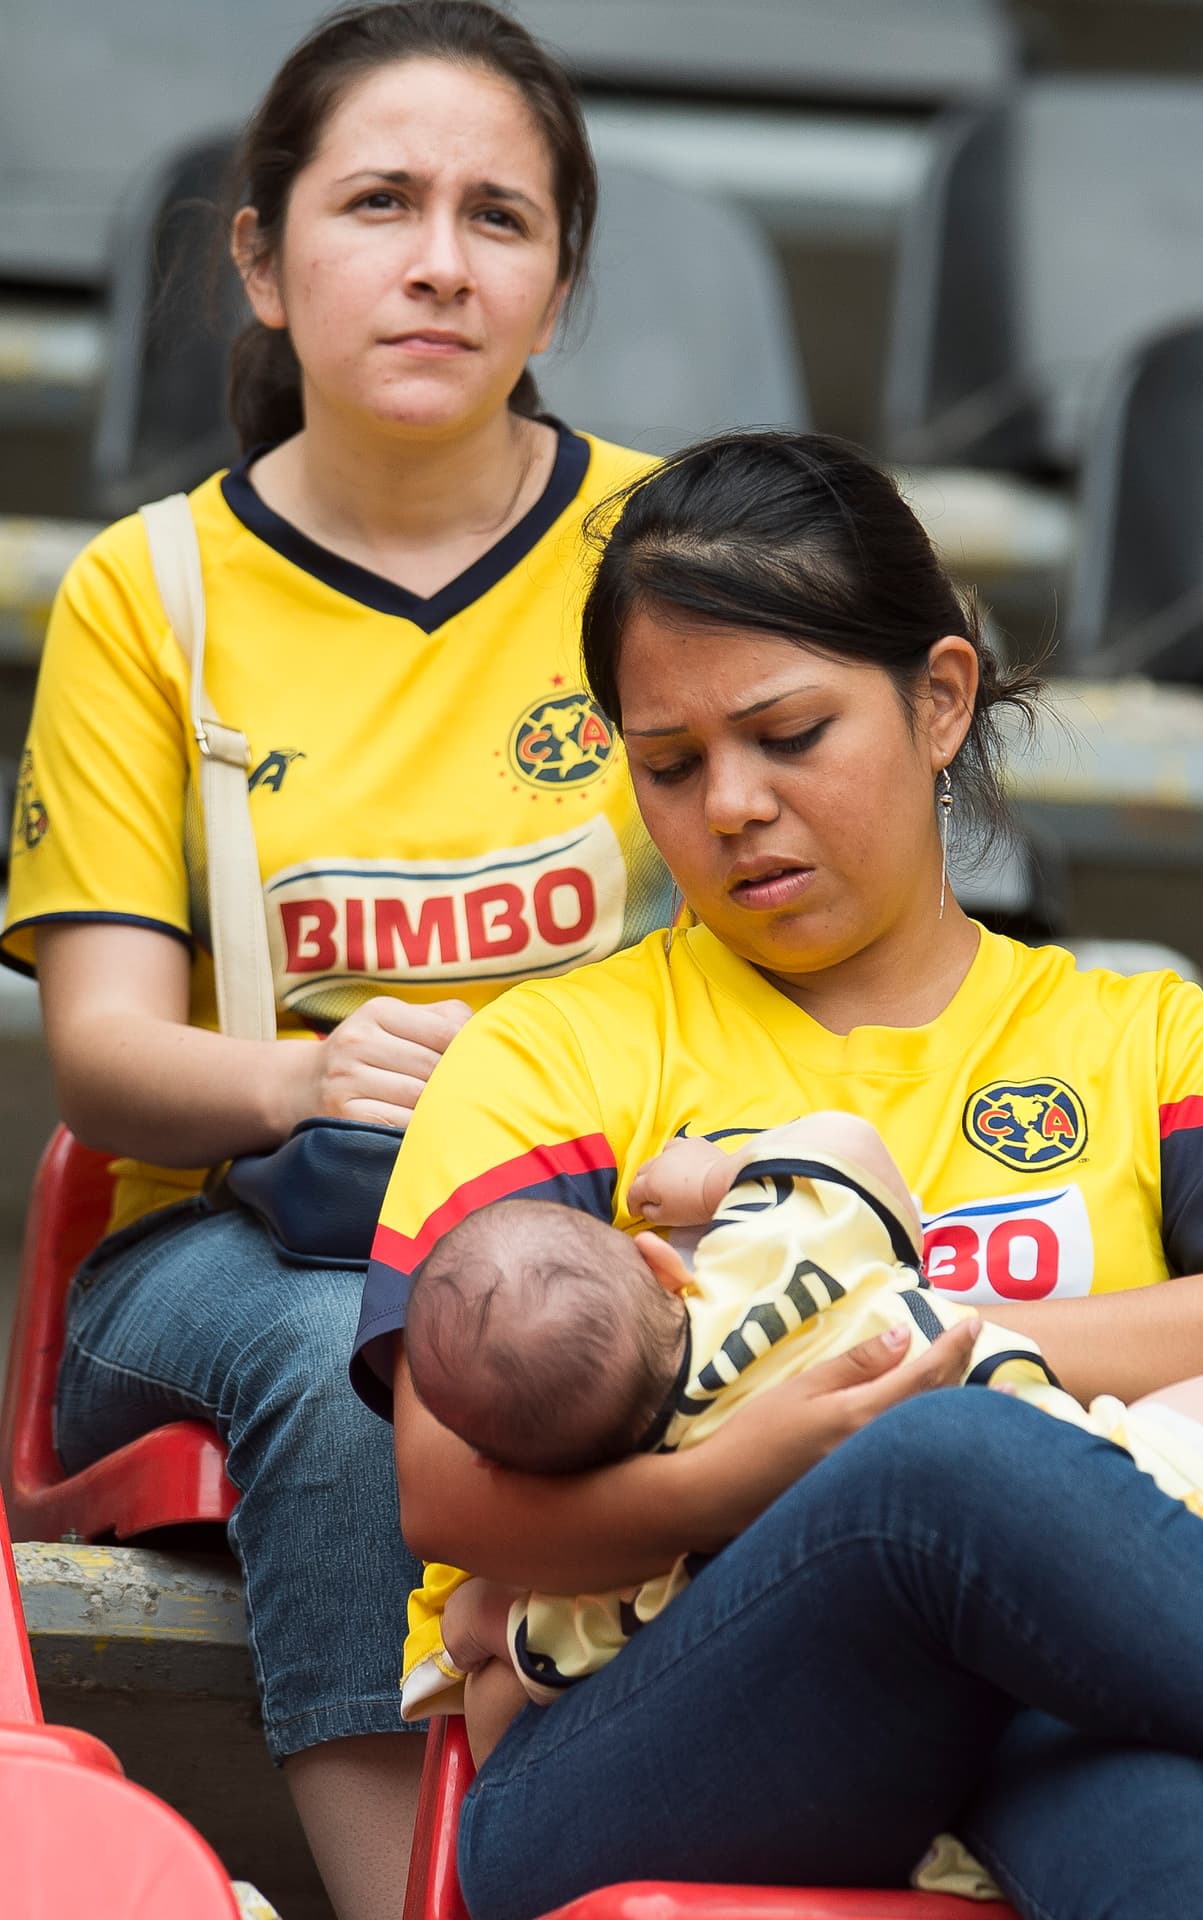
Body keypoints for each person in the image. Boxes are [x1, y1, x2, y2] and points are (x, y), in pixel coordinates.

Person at [356, 428, 1203, 1920]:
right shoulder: (550, 1052)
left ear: (939, 699)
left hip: (1053, 1710)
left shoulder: (1147, 1034)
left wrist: (899, 1344)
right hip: (637, 1744)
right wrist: (766, 1459)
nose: (730, 806)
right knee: (951, 1468)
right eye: (670, 765)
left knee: (1164, 1822)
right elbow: (447, 1492)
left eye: (788, 736)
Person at [0, 7, 671, 1916]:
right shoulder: (155, 593)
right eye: (379, 203)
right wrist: (302, 1077)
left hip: (603, 1198)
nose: (440, 261)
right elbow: (106, 1057)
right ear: (262, 256)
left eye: (500, 219)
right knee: (369, 1350)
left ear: (558, 280)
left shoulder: (666, 543)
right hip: (225, 1237)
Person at [398, 1114, 1203, 1765]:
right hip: (1072, 1484)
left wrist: (489, 1623)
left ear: (505, 1465)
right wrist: (716, 1180)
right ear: (663, 1267)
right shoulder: (772, 1256)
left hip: (911, 1703)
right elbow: (847, 1146)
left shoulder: (634, 1577)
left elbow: (522, 1720)